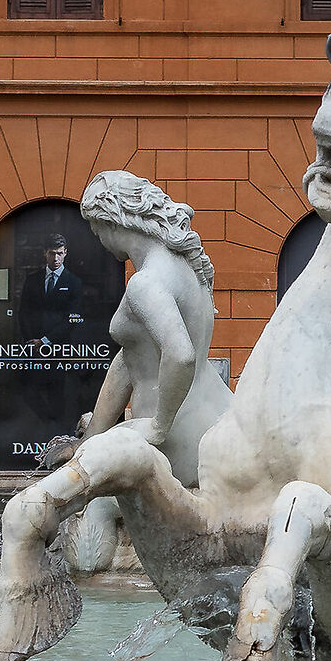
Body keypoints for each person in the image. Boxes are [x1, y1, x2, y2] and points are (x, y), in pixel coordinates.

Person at [75, 173, 235, 569]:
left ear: (112, 220)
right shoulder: (188, 266)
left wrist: (158, 426)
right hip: (217, 419)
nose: (98, 239)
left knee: (89, 522)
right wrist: (93, 435)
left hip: (175, 437)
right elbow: (131, 357)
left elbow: (179, 355)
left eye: (96, 229)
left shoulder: (146, 283)